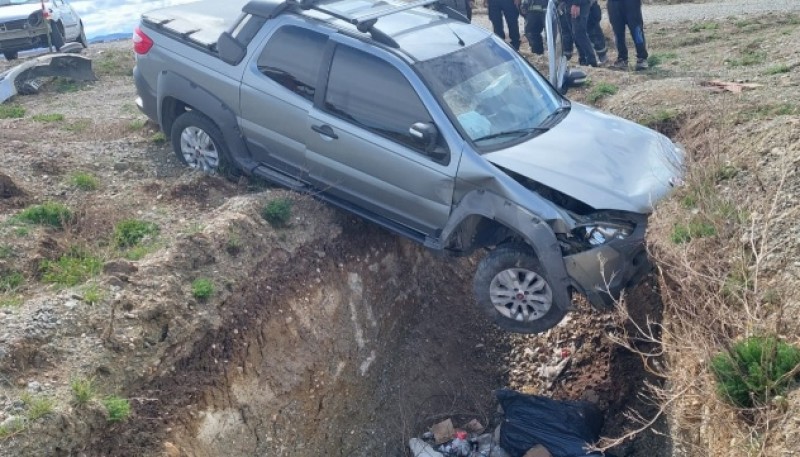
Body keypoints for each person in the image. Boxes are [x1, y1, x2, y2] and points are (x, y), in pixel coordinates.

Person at [607, 0, 649, 70]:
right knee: (618, 32)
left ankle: (642, 58)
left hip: (631, 3)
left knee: (636, 30)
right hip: (613, 3)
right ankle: (622, 59)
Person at [565, 0, 597, 67]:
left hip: (580, 4)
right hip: (568, 4)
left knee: (579, 33)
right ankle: (583, 59)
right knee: (574, 34)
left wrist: (576, 3)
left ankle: (591, 61)